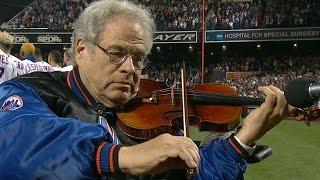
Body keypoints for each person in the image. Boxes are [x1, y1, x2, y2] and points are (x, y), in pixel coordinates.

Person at [0, 0, 292, 179]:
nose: (130, 68)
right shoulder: (32, 91)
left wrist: (243, 140)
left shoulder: (153, 127)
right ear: (81, 50)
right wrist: (118, 157)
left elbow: (198, 175)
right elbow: (16, 142)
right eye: (117, 53)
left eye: (138, 58)